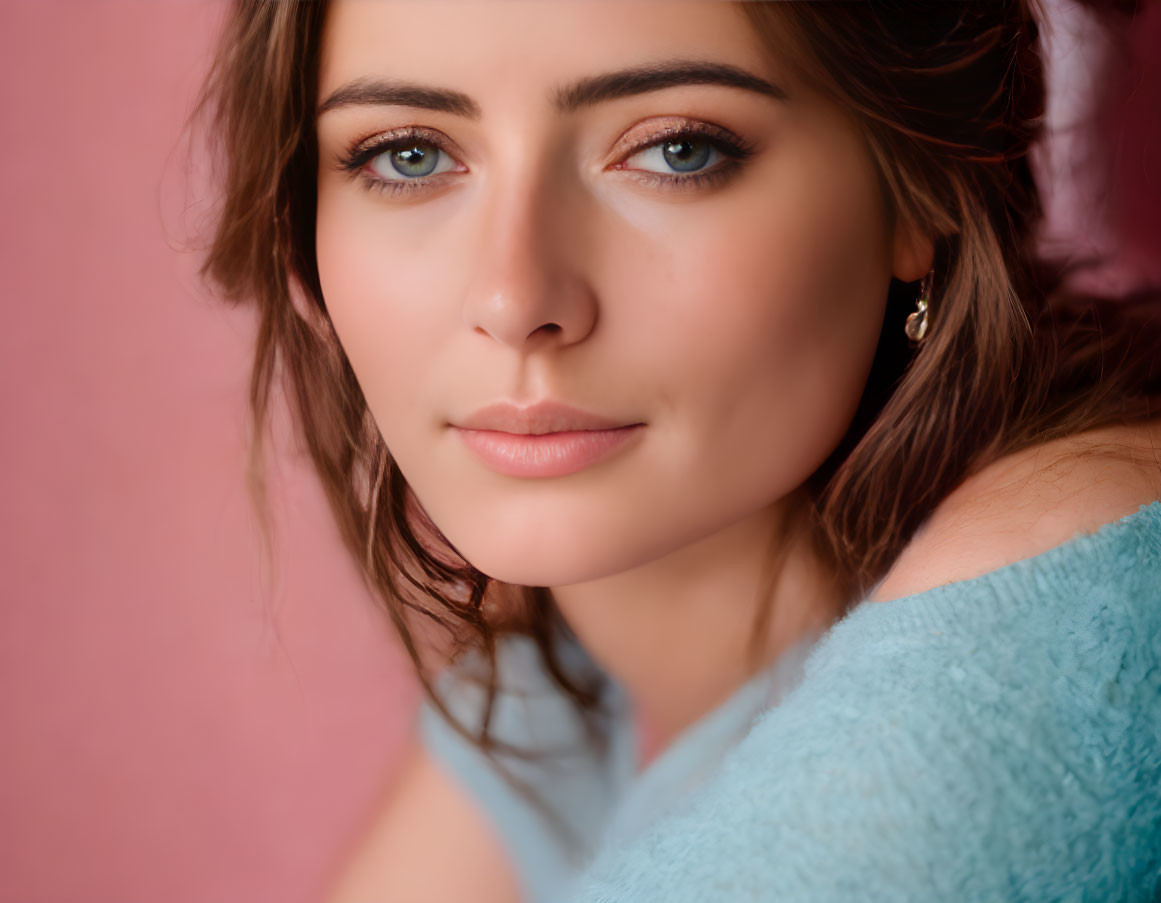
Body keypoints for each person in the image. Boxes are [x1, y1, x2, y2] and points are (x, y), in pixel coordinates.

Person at [194, 1, 1161, 900]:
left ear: (917, 183)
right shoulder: (566, 679)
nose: (514, 297)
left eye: (674, 149)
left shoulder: (1086, 598)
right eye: (407, 155)